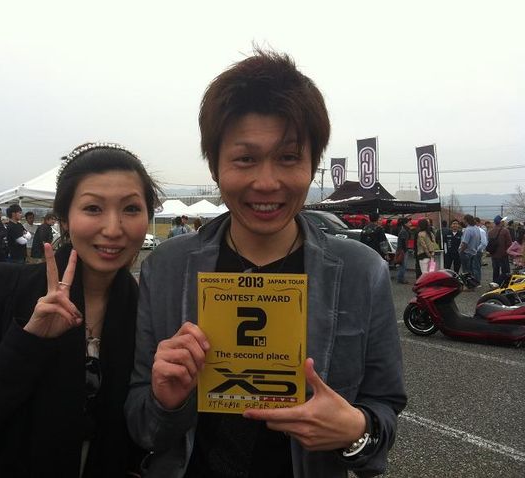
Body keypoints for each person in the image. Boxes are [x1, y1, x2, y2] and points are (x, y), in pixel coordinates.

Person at [125, 50, 406, 477]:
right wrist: (166, 400)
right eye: (245, 159)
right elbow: (142, 425)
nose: (267, 182)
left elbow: (384, 407)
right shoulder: (166, 267)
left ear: (312, 166)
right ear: (215, 167)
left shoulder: (361, 271)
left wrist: (355, 431)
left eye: (288, 158)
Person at [0, 142, 160, 476]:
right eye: (93, 208)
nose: (113, 229)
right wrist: (28, 342)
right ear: (65, 218)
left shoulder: (146, 309)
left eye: (131, 209)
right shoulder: (6, 287)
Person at [487, 215, 512, 284]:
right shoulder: (505, 231)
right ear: (500, 222)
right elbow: (509, 243)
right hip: (503, 254)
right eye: (503, 221)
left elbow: (489, 242)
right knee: (506, 272)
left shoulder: (490, 232)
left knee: (495, 271)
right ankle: (504, 284)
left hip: (493, 254)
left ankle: (495, 284)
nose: (504, 222)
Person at [459, 214, 481, 288]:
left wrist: (461, 251)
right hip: (474, 251)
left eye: (464, 220)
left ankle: (468, 286)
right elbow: (479, 240)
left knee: (466, 271)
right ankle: (473, 285)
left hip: (466, 252)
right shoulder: (477, 229)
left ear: (466, 220)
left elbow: (465, 243)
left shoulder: (468, 230)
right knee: (471, 270)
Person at [395, 217, 410, 284]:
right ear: (405, 223)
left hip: (401, 250)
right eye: (409, 222)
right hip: (402, 250)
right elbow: (404, 242)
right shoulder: (404, 231)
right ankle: (401, 278)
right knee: (403, 265)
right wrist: (405, 250)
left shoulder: (403, 230)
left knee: (401, 264)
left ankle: (400, 278)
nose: (410, 223)